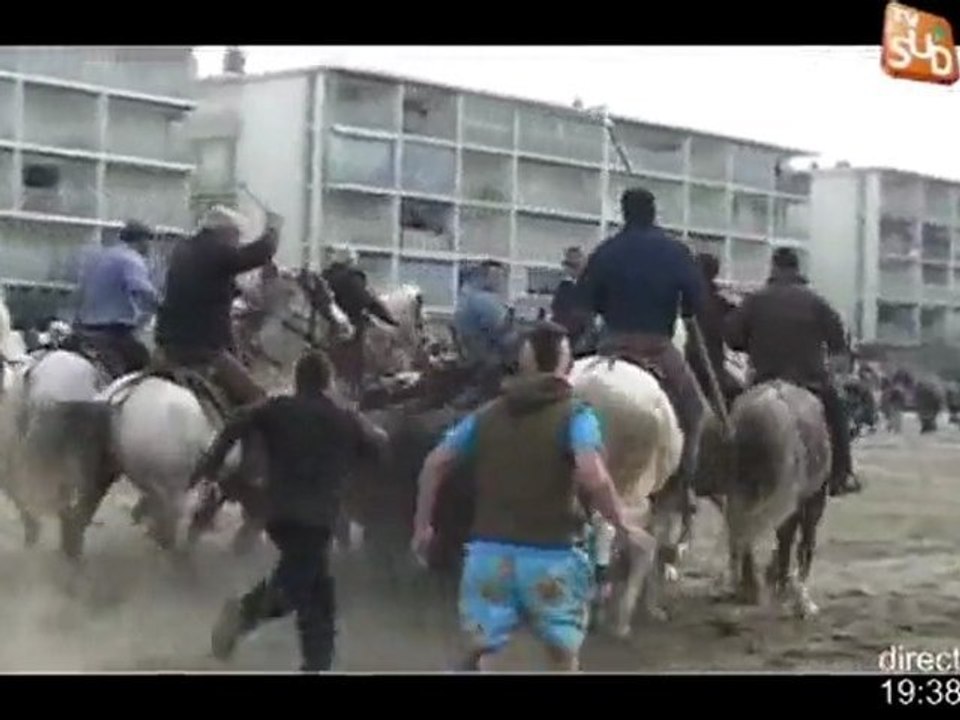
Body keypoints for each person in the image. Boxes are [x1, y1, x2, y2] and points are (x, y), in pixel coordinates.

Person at [411, 321, 650, 672]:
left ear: (523, 363)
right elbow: (592, 474)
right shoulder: (577, 416)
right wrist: (623, 524)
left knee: (485, 651)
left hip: (488, 557)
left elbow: (436, 462)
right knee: (561, 655)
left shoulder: (486, 415)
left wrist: (423, 527)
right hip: (553, 560)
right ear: (566, 365)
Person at [191, 349, 388, 672]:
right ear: (327, 382)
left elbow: (237, 421)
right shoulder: (343, 417)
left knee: (318, 590)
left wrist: (209, 467)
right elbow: (379, 448)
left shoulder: (277, 408)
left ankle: (316, 663)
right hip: (319, 516)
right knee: (295, 586)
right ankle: (241, 615)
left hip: (280, 513)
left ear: (297, 381)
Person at [576, 187, 707, 486]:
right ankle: (685, 480)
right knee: (695, 410)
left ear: (623, 212)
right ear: (653, 211)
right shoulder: (675, 251)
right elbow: (695, 304)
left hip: (611, 345)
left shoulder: (605, 251)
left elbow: (585, 304)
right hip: (657, 347)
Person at [724, 247, 860, 497]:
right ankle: (843, 473)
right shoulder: (817, 302)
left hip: (764, 380)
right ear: (797, 269)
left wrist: (753, 342)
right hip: (810, 382)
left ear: (774, 268)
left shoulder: (754, 301)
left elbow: (731, 337)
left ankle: (729, 474)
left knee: (734, 420)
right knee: (837, 417)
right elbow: (839, 344)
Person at [155, 206, 278, 408]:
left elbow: (211, 285)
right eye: (236, 235)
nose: (237, 242)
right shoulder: (215, 250)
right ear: (224, 231)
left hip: (167, 344)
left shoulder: (185, 250)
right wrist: (273, 230)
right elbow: (257, 254)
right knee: (256, 399)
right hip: (202, 345)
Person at [72, 221, 158, 377]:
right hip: (113, 332)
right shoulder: (132, 259)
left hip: (83, 329)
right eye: (149, 242)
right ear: (142, 241)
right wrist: (163, 309)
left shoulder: (100, 256)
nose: (151, 247)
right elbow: (142, 292)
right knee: (146, 371)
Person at [322, 247, 398, 393]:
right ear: (350, 261)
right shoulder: (351, 277)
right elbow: (368, 302)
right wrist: (390, 321)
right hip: (351, 330)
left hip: (326, 332)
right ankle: (360, 388)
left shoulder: (324, 277)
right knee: (359, 364)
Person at [452, 259, 516, 403]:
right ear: (488, 277)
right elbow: (502, 334)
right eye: (498, 277)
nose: (501, 282)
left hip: (473, 354)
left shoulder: (466, 296)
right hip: (489, 358)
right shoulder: (484, 300)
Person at [686, 252, 741, 409]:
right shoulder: (722, 304)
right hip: (713, 372)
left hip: (689, 367)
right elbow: (735, 337)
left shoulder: (682, 299)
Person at [550, 246, 592, 354]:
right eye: (568, 265)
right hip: (563, 333)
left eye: (574, 265)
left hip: (581, 336)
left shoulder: (589, 285)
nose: (570, 269)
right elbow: (556, 308)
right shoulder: (564, 286)